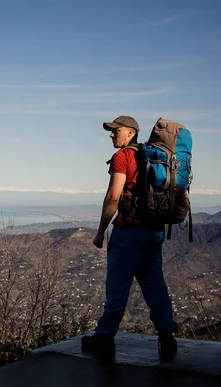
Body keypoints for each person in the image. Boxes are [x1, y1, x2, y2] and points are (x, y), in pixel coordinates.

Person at [81, 115, 178, 362]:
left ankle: (103, 338)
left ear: (131, 133)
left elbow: (113, 197)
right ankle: (167, 336)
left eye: (116, 131)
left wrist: (101, 231)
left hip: (129, 233)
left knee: (117, 286)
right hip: (153, 232)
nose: (111, 135)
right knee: (155, 284)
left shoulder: (123, 157)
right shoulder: (149, 157)